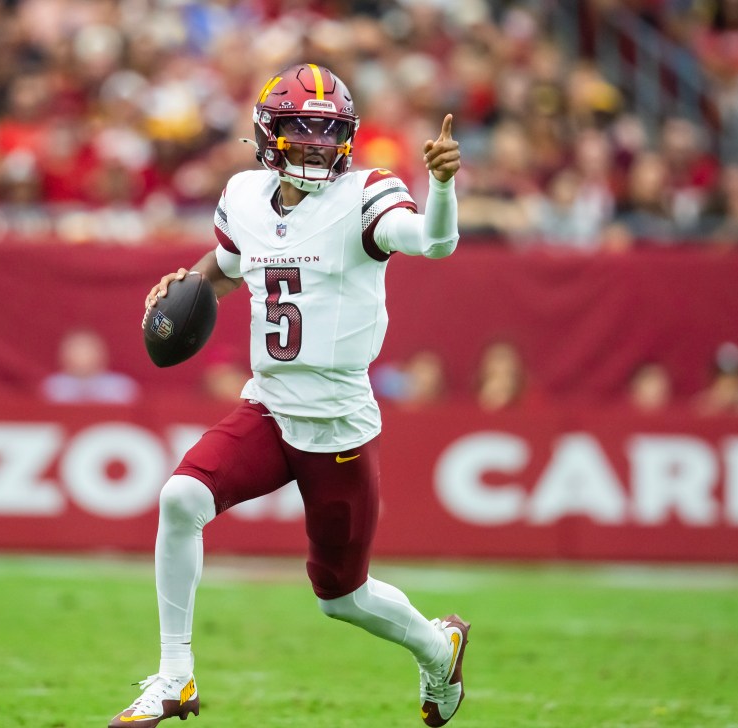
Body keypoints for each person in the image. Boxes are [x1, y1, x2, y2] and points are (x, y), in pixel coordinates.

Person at [110, 63, 469, 728]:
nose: (313, 144)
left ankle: (435, 644)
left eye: (326, 132)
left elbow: (435, 243)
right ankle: (174, 679)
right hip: (270, 405)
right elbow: (226, 266)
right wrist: (183, 282)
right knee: (181, 497)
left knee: (342, 596)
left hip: (335, 425)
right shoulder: (245, 197)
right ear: (268, 135)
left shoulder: (367, 195)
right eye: (300, 131)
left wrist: (442, 185)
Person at [40, 327, 140, 405]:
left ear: (101, 353)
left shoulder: (121, 387)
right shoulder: (52, 387)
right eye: (76, 349)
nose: (82, 355)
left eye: (87, 349)